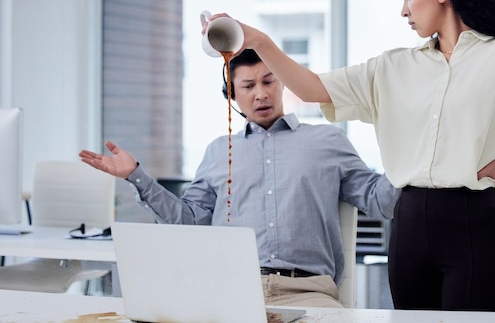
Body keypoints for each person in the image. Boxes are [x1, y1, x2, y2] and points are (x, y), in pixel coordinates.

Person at [209, 0, 495, 312]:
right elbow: (312, 88)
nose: (403, 10)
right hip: (410, 224)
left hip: (474, 223)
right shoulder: (392, 67)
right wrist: (258, 41)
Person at [79, 49, 400, 308]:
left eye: (268, 81)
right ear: (231, 94)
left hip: (309, 293)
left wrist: (410, 156)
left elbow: (379, 201)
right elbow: (189, 222)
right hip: (228, 292)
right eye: (248, 86)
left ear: (283, 83)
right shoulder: (219, 151)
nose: (260, 94)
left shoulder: (328, 141)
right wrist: (136, 175)